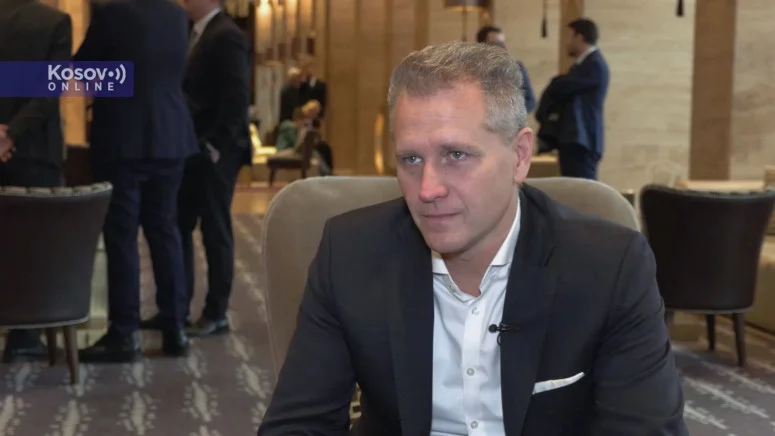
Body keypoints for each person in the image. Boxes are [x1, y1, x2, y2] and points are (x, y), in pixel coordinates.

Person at [258, 41, 688, 435]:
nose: (428, 189)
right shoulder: (350, 253)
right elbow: (296, 427)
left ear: (519, 156)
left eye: (456, 155)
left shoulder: (610, 266)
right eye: (411, 159)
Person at [74, 0, 198, 362]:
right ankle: (175, 327)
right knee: (165, 230)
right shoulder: (177, 16)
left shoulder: (112, 14)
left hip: (124, 140)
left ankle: (125, 332)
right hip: (171, 135)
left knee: (122, 236)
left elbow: (81, 71)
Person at [147, 0, 251, 338]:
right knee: (179, 224)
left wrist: (215, 145)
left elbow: (237, 98)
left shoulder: (227, 35)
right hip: (190, 149)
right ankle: (175, 308)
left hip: (216, 152)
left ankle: (216, 312)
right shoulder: (192, 33)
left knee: (214, 230)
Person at [0, 0, 72, 364]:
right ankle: (25, 336)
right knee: (34, 245)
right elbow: (48, 95)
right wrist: (11, 134)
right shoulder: (54, 22)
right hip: (36, 152)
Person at [539, 18, 609, 180]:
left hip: (583, 141)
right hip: (574, 140)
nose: (567, 42)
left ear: (580, 37)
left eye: (569, 37)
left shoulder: (594, 65)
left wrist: (556, 82)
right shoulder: (581, 66)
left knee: (582, 191)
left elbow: (561, 87)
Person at [476, 25, 536, 113]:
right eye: (498, 44)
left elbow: (530, 101)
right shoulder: (472, 69)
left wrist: (510, 114)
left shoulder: (517, 67)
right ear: (482, 46)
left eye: (503, 43)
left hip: (511, 119)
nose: (504, 48)